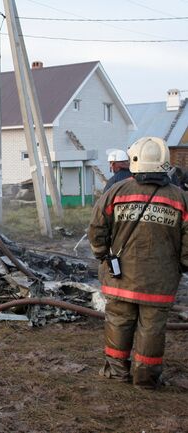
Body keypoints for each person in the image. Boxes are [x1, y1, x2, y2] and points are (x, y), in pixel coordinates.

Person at [89, 136, 188, 389]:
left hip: (121, 277)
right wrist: (183, 265)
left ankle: (116, 372)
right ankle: (145, 379)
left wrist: (103, 256)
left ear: (134, 160)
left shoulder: (116, 192)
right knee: (152, 329)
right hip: (160, 280)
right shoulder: (180, 198)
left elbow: (97, 227)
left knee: (118, 323)